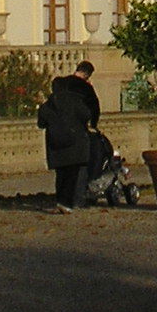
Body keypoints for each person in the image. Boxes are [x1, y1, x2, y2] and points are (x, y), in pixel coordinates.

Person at [37, 61, 101, 211]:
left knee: (61, 173)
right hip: (75, 137)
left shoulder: (51, 103)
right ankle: (70, 202)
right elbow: (90, 112)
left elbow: (41, 122)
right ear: (87, 74)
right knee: (74, 172)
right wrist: (93, 124)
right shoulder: (83, 92)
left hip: (55, 140)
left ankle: (61, 200)